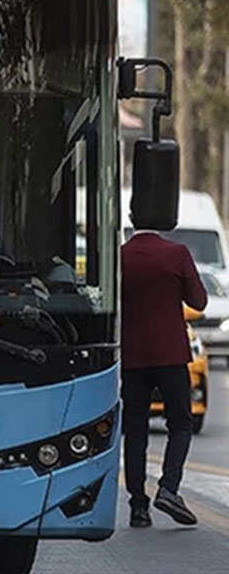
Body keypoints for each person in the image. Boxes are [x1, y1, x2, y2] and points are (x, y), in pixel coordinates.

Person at [121, 224, 208, 528]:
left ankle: (138, 507)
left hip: (132, 357)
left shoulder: (120, 257)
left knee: (135, 430)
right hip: (171, 355)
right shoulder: (176, 254)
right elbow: (199, 301)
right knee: (181, 423)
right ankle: (169, 488)